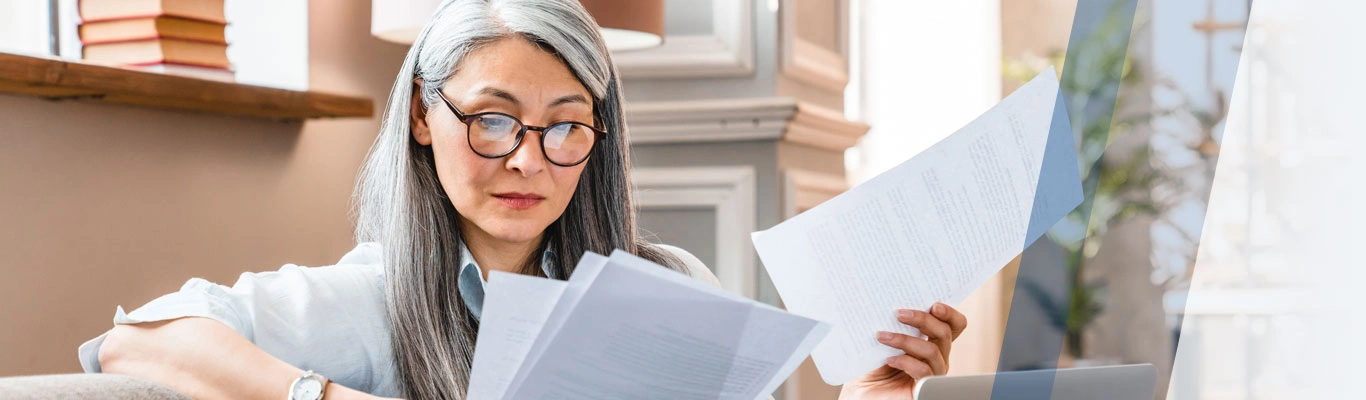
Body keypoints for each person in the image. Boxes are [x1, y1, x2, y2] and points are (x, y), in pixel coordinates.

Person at [76, 0, 968, 399]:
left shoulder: (672, 281)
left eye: (566, 126)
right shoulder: (372, 301)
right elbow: (132, 341)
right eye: (493, 121)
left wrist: (871, 394)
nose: (528, 161)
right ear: (423, 116)